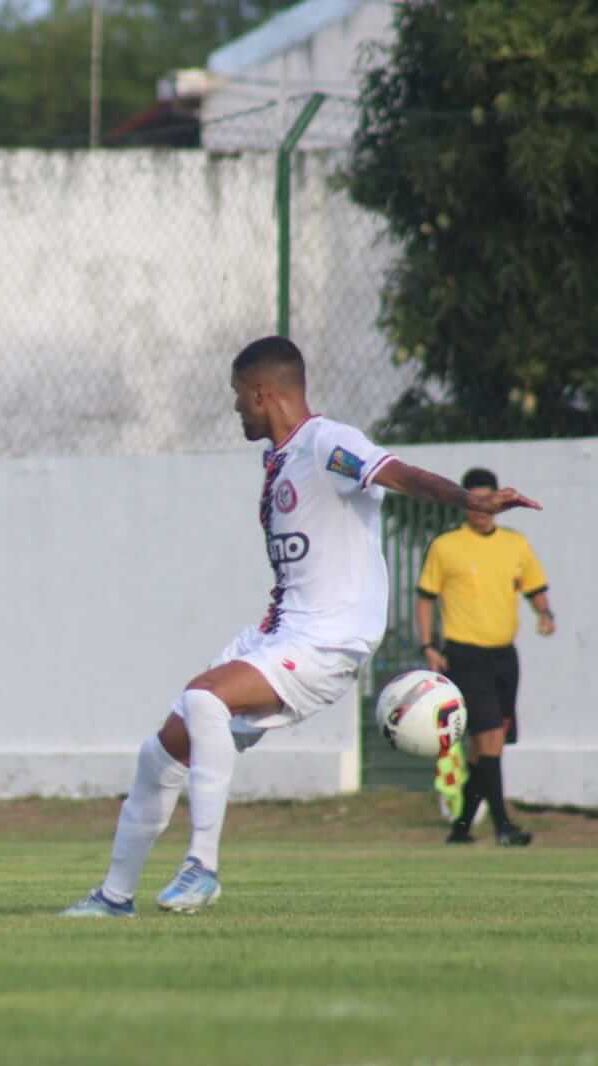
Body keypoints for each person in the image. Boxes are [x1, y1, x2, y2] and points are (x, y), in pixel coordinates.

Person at [60, 336, 540, 919]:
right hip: (279, 635)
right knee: (160, 754)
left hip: (327, 641)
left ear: (262, 392)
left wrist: (467, 498)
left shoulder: (326, 444)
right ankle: (113, 898)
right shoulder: (284, 455)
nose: (236, 407)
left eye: (239, 395)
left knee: (204, 699)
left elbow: (395, 472)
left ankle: (202, 868)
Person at [417, 467, 553, 847]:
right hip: (464, 655)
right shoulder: (446, 546)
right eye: (472, 501)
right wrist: (428, 645)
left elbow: (534, 587)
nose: (479, 509)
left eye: (485, 501)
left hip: (504, 657)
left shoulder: (516, 544)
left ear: (496, 503)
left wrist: (545, 612)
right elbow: (426, 598)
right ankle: (503, 825)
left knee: (487, 746)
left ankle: (461, 827)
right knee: (489, 735)